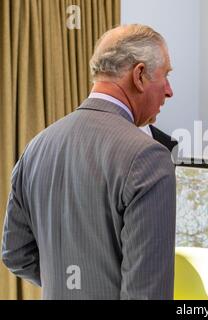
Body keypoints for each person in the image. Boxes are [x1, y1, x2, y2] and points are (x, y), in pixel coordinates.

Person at [1, 24, 176, 299]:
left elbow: (16, 255)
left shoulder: (35, 148)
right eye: (165, 76)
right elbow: (147, 292)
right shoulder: (149, 157)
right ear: (139, 75)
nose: (169, 91)